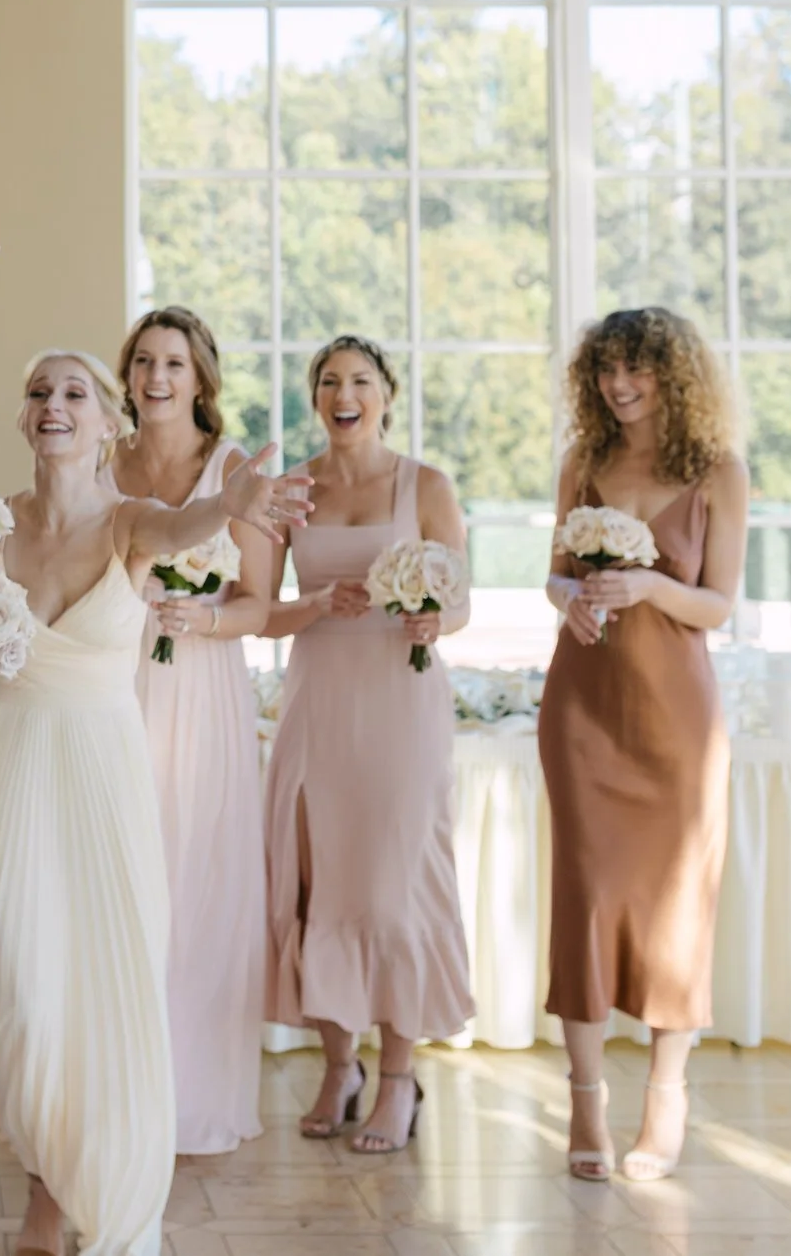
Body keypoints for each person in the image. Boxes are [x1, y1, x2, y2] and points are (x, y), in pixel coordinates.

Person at [0, 351, 309, 1255]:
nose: (54, 404)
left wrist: (234, 505)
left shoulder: (132, 524)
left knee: (90, 995)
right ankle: (50, 1181)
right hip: (11, 772)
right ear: (24, 420)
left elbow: (193, 524)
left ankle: (52, 1204)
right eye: (38, 392)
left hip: (101, 781)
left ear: (109, 424)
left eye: (74, 393)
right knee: (19, 990)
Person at [540, 308, 746, 1184]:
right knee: (583, 896)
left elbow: (719, 603)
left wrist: (650, 586)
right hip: (582, 705)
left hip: (674, 721)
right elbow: (552, 572)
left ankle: (667, 1095)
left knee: (674, 908)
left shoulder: (718, 471)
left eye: (638, 370)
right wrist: (573, 597)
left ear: (674, 376)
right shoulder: (583, 462)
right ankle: (585, 1099)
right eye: (607, 371)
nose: (619, 386)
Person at [260, 336, 474, 1155]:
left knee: (396, 890)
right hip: (319, 703)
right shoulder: (293, 490)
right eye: (327, 381)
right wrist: (313, 600)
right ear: (315, 396)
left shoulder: (427, 484)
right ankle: (338, 1063)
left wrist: (435, 617)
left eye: (359, 380)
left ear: (386, 393)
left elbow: (460, 599)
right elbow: (262, 609)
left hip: (401, 704)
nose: (342, 392)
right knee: (323, 885)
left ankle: (397, 1077)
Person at [113, 307, 271, 1156]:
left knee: (195, 884)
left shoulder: (233, 469)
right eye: (143, 360)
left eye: (172, 361)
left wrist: (201, 618)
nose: (156, 376)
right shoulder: (105, 458)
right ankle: (119, 1094)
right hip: (117, 680)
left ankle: (189, 1096)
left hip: (200, 688)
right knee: (126, 883)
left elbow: (260, 601)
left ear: (200, 377)